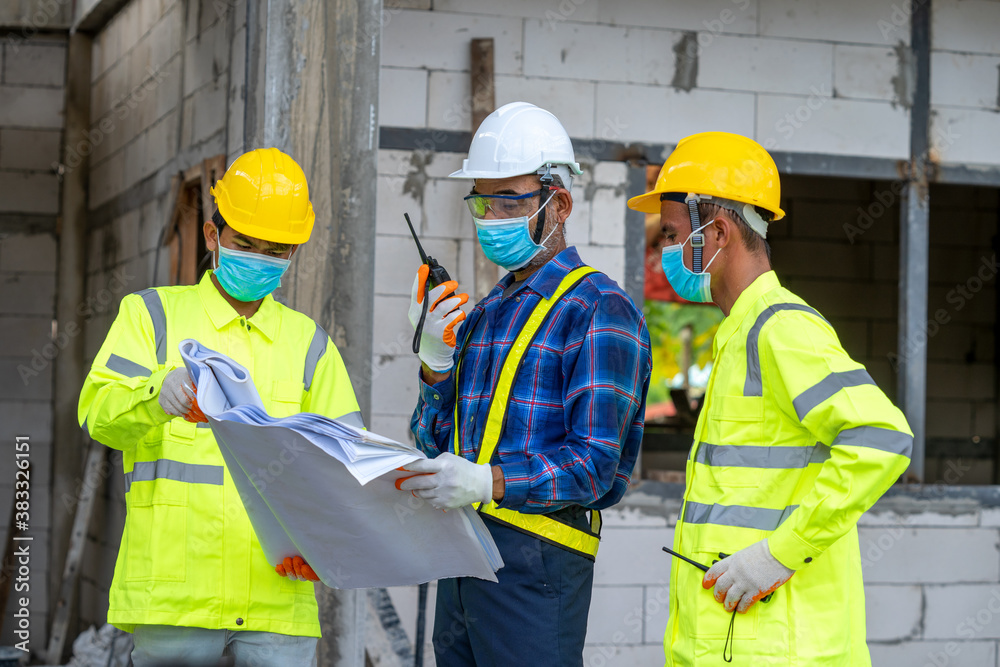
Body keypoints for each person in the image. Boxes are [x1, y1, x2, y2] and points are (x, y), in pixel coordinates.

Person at [627, 132, 912, 665]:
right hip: (743, 641)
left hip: (781, 648)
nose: (662, 251)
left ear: (717, 232)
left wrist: (777, 555)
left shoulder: (780, 328)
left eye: (670, 234)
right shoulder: (740, 333)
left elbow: (883, 440)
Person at [78, 148, 362, 666]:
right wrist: (155, 394)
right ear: (213, 236)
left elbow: (346, 464)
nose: (259, 258)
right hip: (175, 600)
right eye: (245, 243)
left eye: (276, 250)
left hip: (278, 596)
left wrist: (328, 544)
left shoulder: (309, 344)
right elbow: (98, 414)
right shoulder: (151, 315)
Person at [397, 101, 652, 666]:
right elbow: (437, 448)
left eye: (506, 200)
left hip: (538, 564)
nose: (490, 216)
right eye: (481, 201)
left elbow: (594, 466)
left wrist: (487, 481)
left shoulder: (600, 309)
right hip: (463, 556)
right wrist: (436, 366)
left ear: (557, 203)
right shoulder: (487, 313)